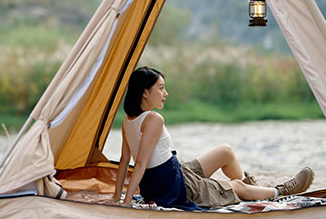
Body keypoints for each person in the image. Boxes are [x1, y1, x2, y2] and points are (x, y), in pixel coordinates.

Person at [112, 66, 314, 209]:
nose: (166, 93)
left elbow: (124, 163)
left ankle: (254, 189)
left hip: (175, 173)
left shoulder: (128, 121)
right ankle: (281, 190)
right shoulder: (154, 119)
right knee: (236, 187)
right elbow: (138, 164)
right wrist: (126, 204)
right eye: (161, 88)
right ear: (145, 93)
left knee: (225, 151)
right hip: (174, 187)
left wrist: (116, 197)